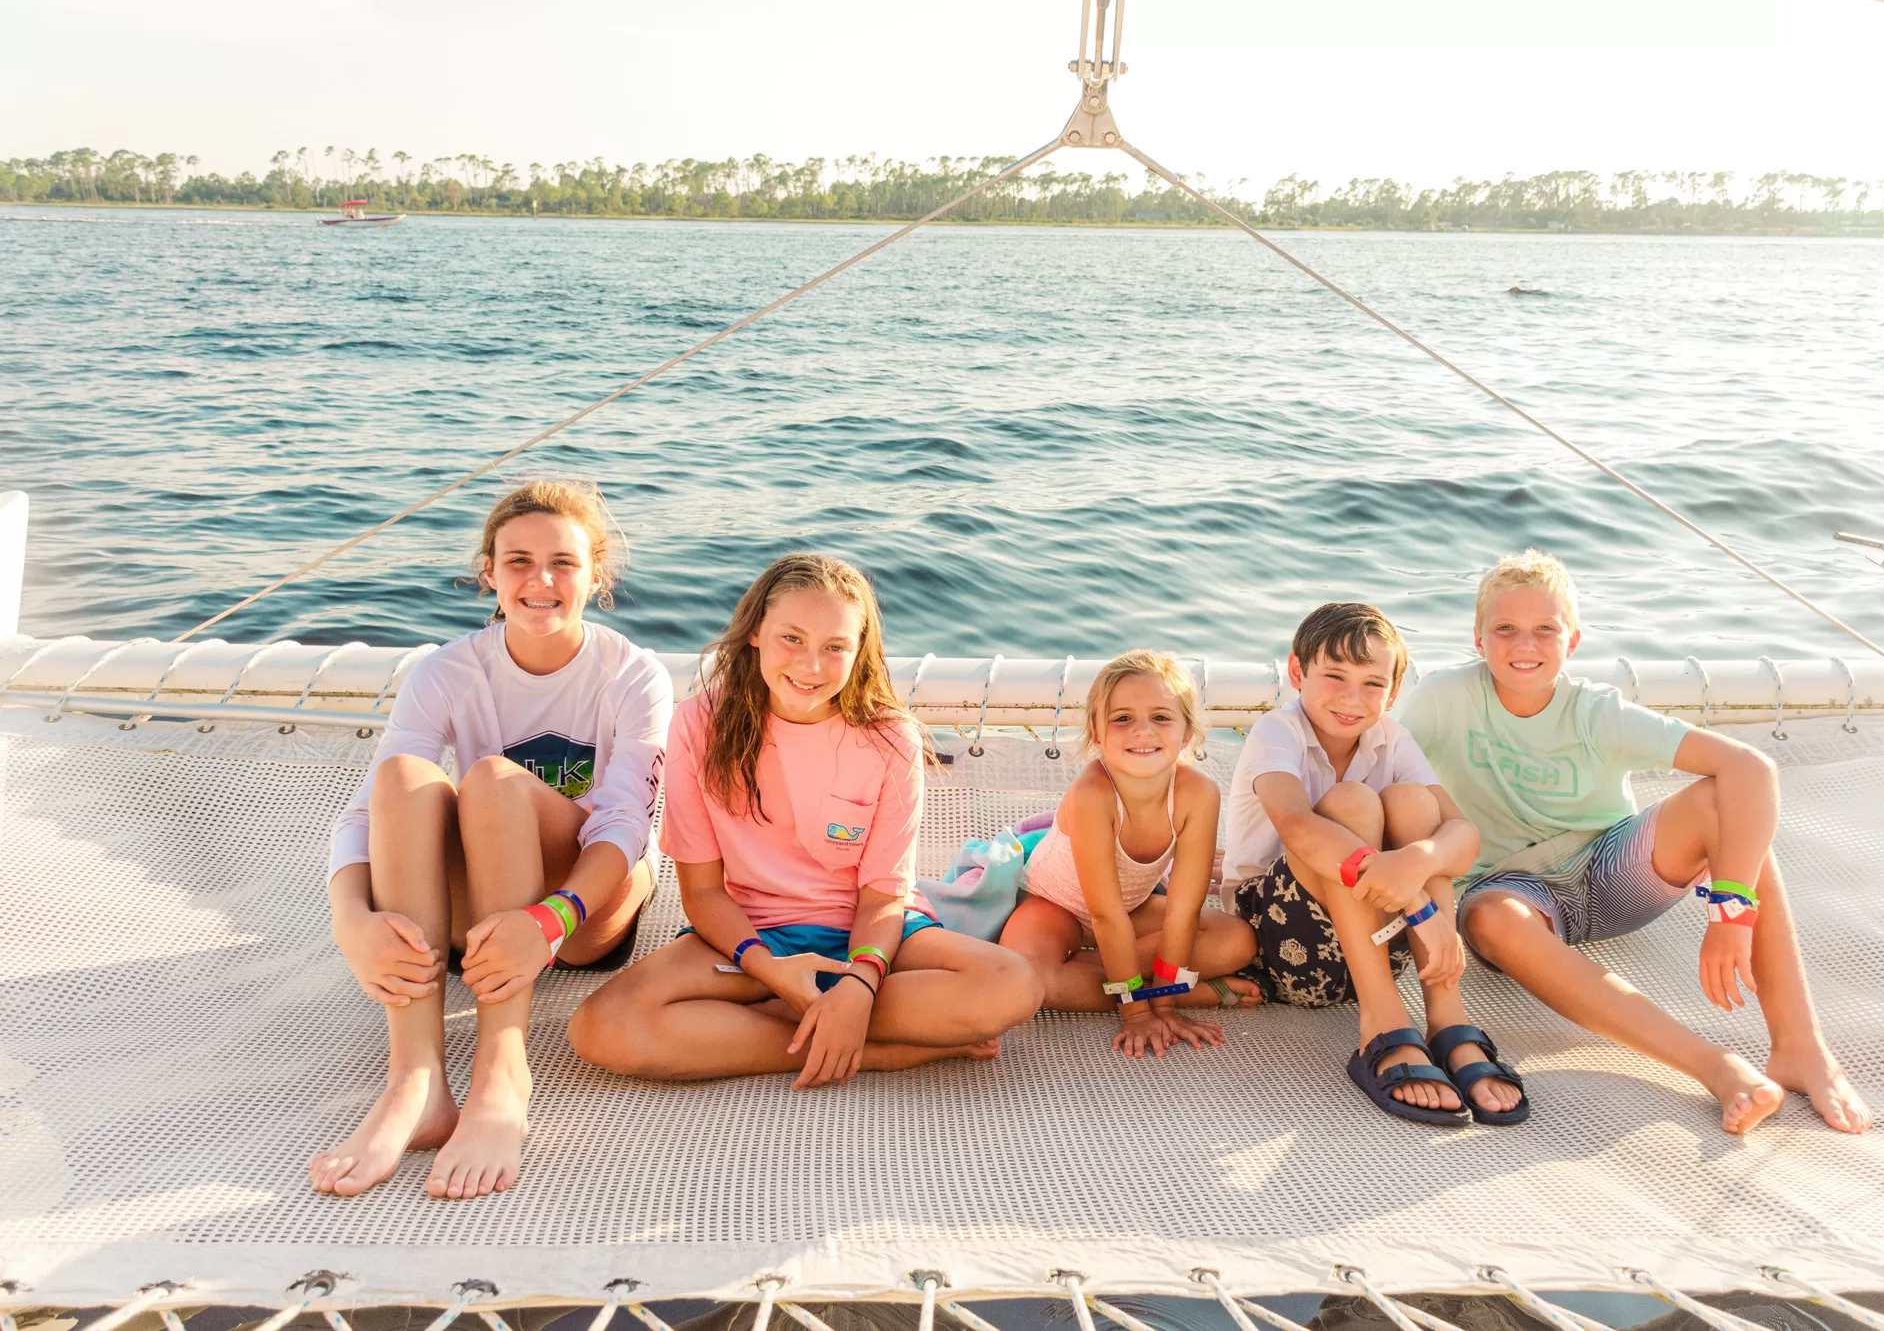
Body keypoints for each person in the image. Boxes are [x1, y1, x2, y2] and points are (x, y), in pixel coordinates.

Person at [1397, 549, 1871, 1136]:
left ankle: (1800, 1047)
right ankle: (1717, 1067)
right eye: (1506, 630)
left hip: (1608, 870)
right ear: (1478, 639)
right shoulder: (1445, 699)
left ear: (1572, 640)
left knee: (1726, 807)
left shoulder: (1595, 712)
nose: (1526, 645)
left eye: (1545, 629)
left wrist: (1730, 914)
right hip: (1506, 891)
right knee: (1491, 917)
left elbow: (1751, 769)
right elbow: (1379, 773)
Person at [310, 479, 672, 1200]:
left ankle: (502, 1069)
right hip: (480, 915)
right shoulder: (447, 670)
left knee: (495, 779)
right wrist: (350, 920)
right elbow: (363, 812)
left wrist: (551, 918)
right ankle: (417, 1080)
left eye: (563, 562)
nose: (541, 580)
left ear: (597, 574)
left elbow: (626, 824)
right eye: (518, 561)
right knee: (407, 777)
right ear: (489, 574)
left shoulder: (632, 674)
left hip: (583, 914)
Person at [568, 553, 1042, 1086]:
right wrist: (769, 969)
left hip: (872, 936)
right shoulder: (701, 721)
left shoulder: (891, 738)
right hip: (753, 935)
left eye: (835, 646)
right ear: (755, 633)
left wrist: (861, 984)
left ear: (859, 650)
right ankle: (873, 1049)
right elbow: (702, 893)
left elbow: (883, 896)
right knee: (599, 1027)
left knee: (1011, 984)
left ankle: (783, 1023)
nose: (811, 665)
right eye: (791, 638)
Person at [1223, 602, 1524, 1127]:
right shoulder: (1278, 730)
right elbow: (1296, 827)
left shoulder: (1390, 736)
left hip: (1379, 944)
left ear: (1395, 688)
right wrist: (1414, 899)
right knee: (1350, 804)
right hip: (1283, 948)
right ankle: (1380, 1025)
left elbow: (1463, 835)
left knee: (1413, 803)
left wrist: (1416, 860)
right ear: (1297, 672)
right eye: (1334, 676)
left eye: (1371, 684)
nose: (1351, 698)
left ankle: (1447, 1017)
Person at [998, 651, 1261, 1058]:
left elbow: (1182, 910)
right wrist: (1138, 1015)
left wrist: (1167, 1004)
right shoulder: (1092, 794)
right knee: (1026, 979)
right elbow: (1104, 914)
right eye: (1122, 718)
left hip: (1134, 908)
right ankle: (1153, 991)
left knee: (1237, 941)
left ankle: (1155, 989)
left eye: (1161, 717)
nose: (1143, 731)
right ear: (1097, 733)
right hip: (1053, 906)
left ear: (1187, 732)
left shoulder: (1199, 794)